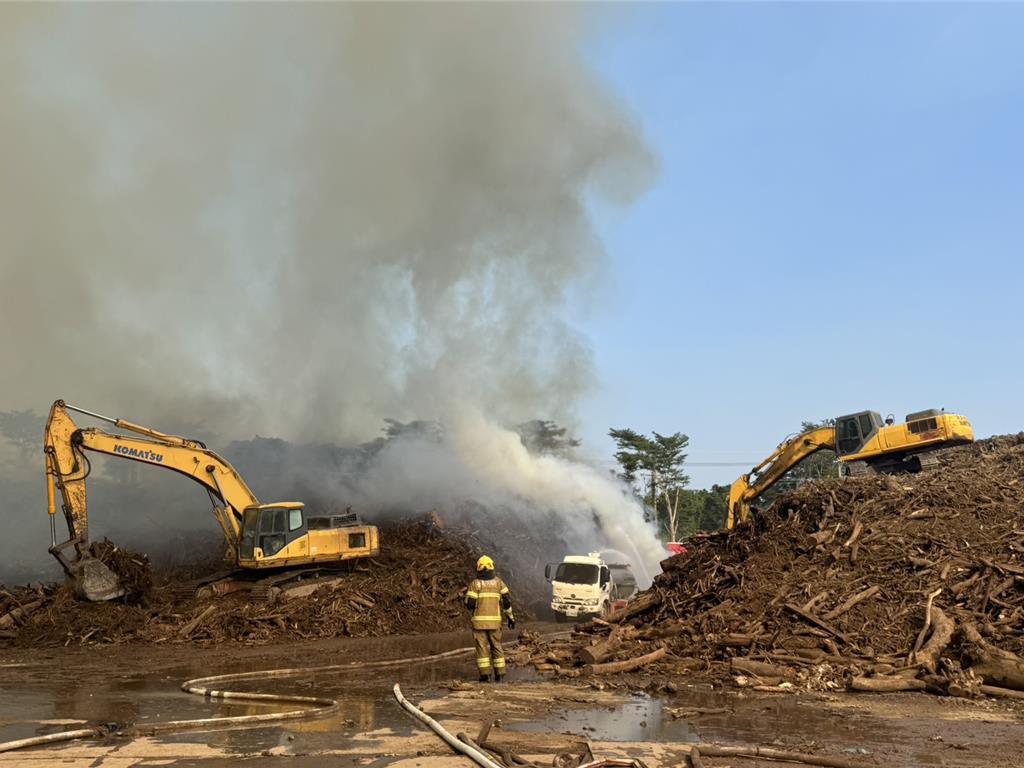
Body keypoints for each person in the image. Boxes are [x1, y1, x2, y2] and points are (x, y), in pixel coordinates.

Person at [465, 554, 515, 682]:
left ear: (479, 568)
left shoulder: (476, 584)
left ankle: (485, 675)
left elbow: (470, 605)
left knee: (482, 648)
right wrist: (510, 618)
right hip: (495, 623)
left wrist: (466, 601)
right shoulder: (499, 583)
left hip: (479, 624)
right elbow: (507, 602)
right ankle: (500, 674)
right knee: (497, 646)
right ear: (492, 567)